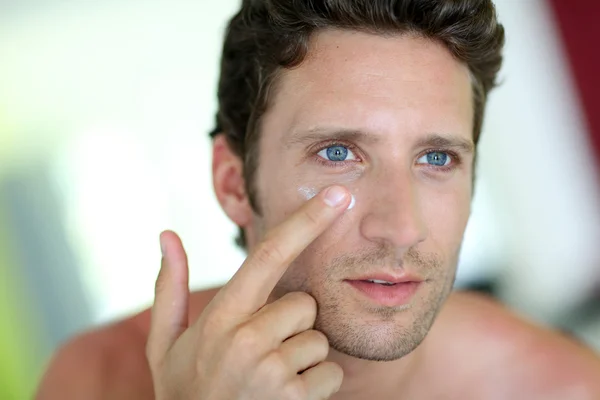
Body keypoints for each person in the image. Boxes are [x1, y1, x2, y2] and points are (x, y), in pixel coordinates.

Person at [35, 0, 600, 398]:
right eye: (338, 153)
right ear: (234, 184)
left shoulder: (563, 389)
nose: (401, 227)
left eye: (436, 159)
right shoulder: (96, 381)